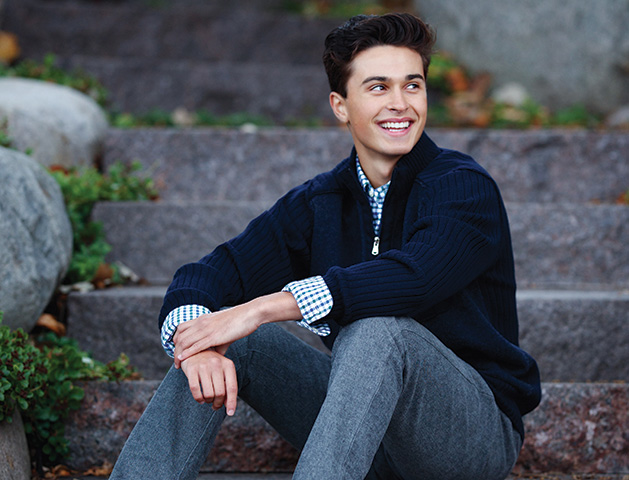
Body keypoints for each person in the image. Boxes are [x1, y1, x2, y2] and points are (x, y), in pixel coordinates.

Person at [109, 12, 541, 480]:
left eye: (412, 85)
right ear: (340, 105)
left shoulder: (462, 187)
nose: (401, 104)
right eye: (378, 88)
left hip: (465, 439)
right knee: (226, 338)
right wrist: (199, 343)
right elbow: (213, 271)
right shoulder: (319, 202)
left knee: (377, 329)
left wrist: (262, 307)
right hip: (365, 438)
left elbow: (414, 277)